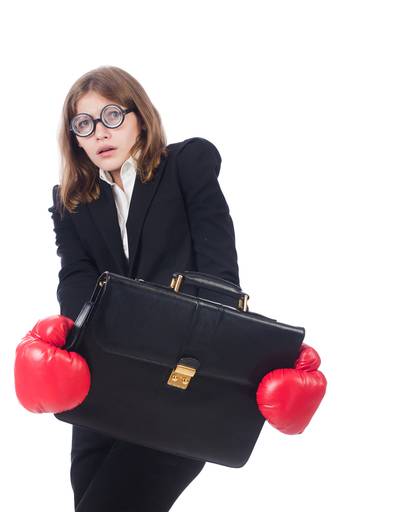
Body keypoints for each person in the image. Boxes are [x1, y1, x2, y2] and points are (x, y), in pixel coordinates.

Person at [13, 66, 325, 512]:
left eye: (112, 115)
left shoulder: (186, 165)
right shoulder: (72, 202)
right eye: (84, 124)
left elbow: (219, 272)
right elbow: (75, 280)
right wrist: (74, 337)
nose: (100, 132)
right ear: (75, 138)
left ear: (140, 115)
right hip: (104, 387)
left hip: (180, 385)